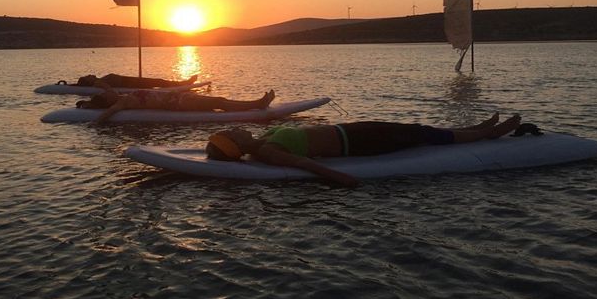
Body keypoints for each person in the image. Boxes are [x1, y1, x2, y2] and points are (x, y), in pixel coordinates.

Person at [206, 113, 522, 187]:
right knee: (419, 135)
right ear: (236, 144)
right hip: (358, 144)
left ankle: (475, 130)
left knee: (416, 130)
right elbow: (307, 164)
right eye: (231, 131)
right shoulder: (269, 151)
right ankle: (487, 135)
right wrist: (344, 180)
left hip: (351, 131)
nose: (235, 126)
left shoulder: (264, 138)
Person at [77, 89, 276, 125]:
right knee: (219, 102)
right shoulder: (122, 102)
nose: (107, 92)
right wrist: (94, 123)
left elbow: (104, 88)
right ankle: (258, 104)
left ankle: (257, 103)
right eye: (105, 95)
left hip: (179, 98)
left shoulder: (120, 96)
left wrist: (86, 104)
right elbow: (108, 113)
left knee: (218, 101)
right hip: (179, 104)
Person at [73, 73, 198, 90]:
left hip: (129, 81)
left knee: (158, 81)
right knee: (158, 82)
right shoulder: (97, 83)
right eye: (87, 76)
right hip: (129, 84)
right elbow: (106, 87)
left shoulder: (99, 80)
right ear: (88, 81)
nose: (90, 74)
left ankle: (182, 83)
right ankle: (183, 84)